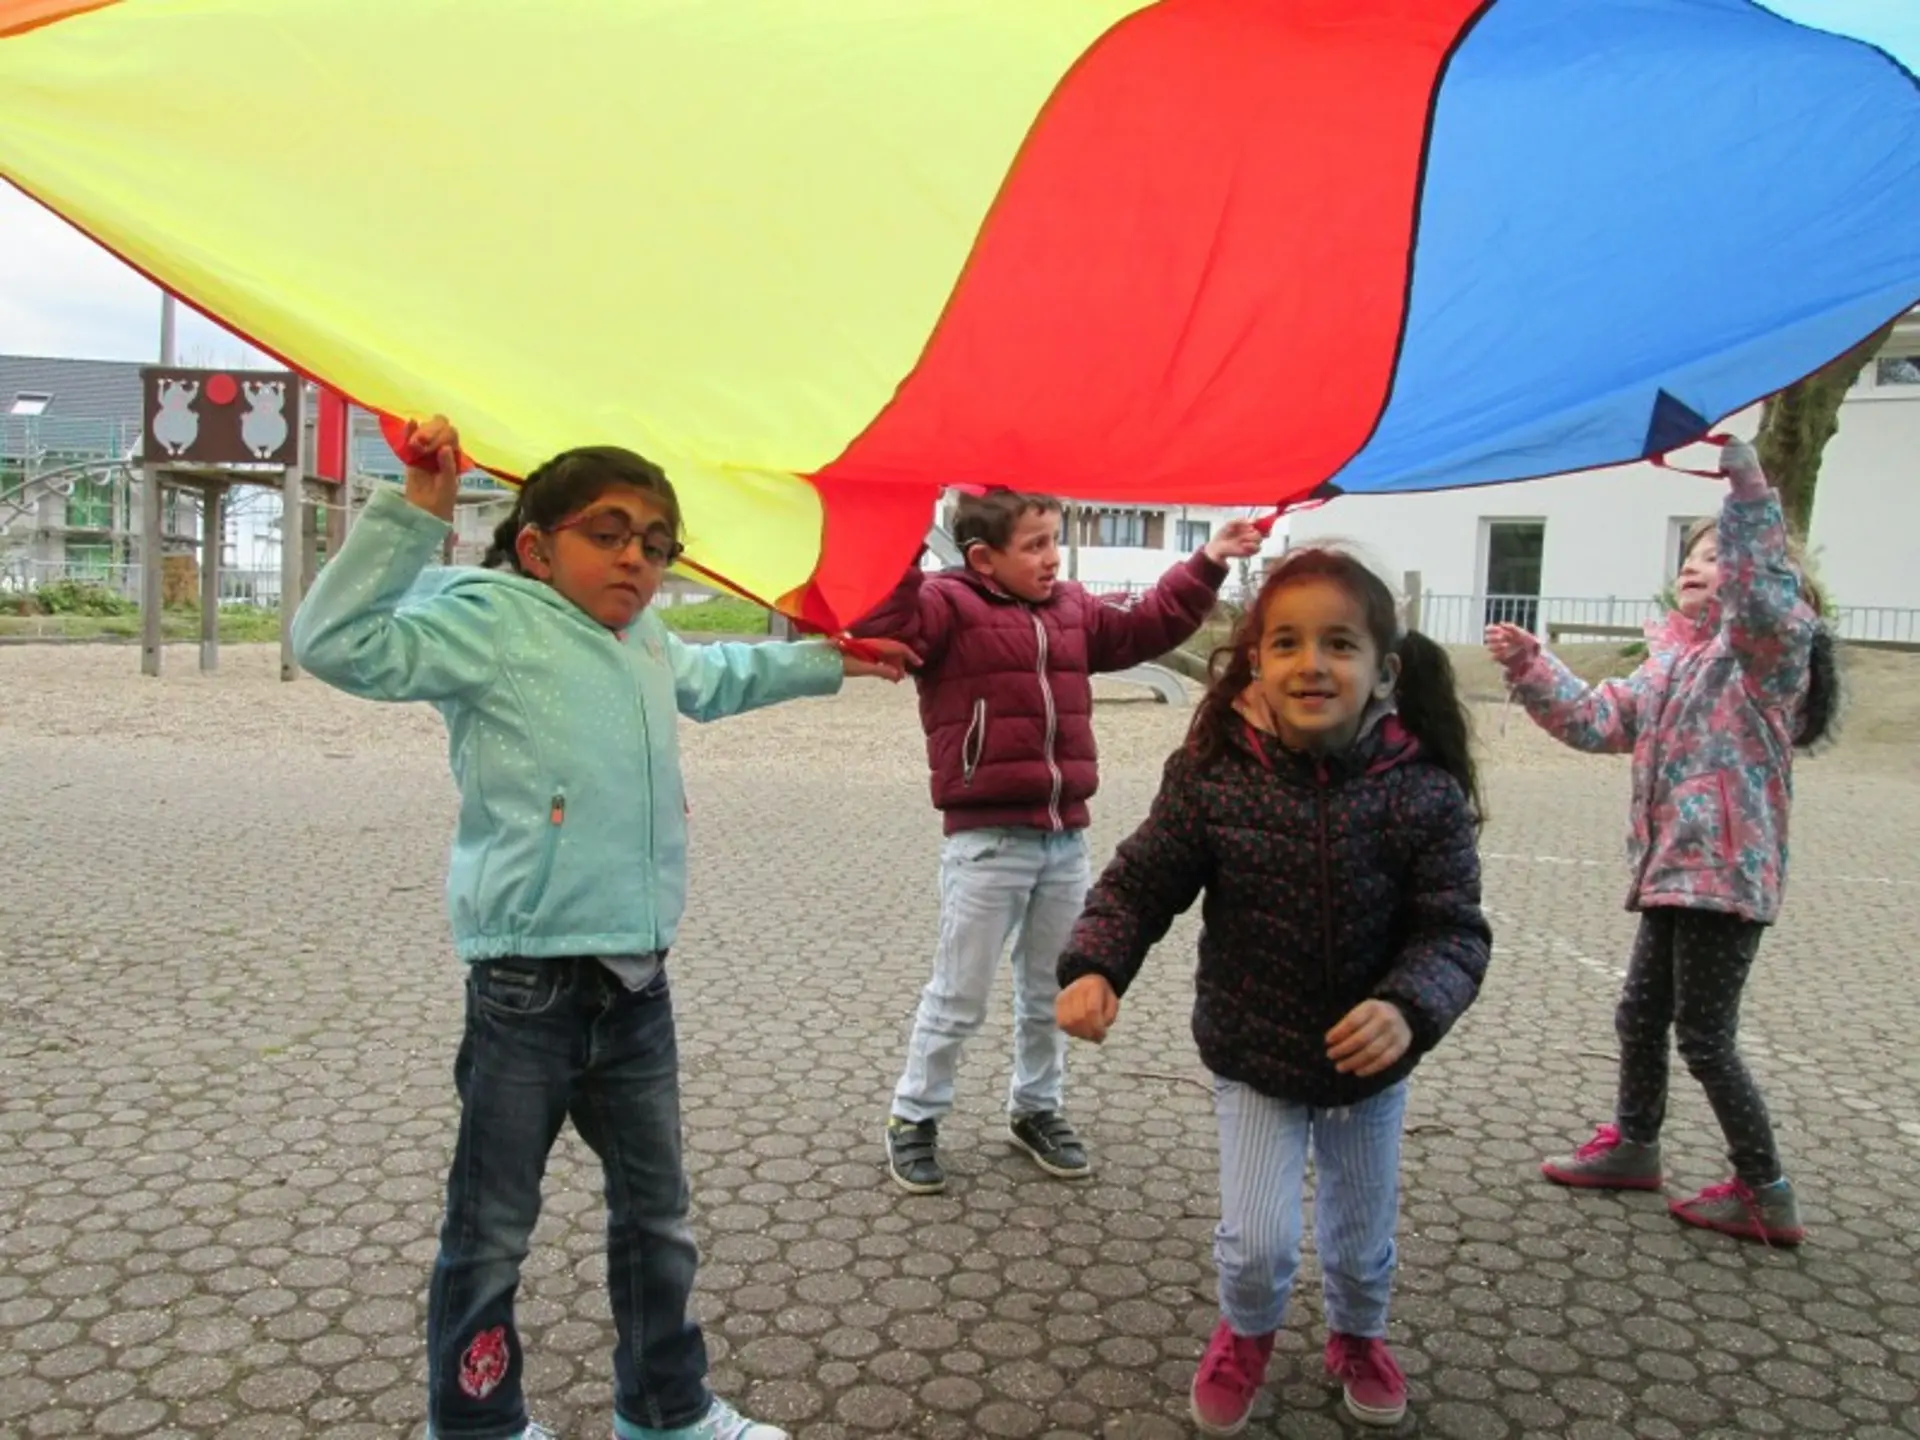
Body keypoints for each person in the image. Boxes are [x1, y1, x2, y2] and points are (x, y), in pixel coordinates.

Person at [292, 417, 912, 1440]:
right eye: (608, 531)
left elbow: (715, 680)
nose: (637, 556)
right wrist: (417, 512)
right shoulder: (490, 621)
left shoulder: (647, 640)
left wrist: (827, 661)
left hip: (636, 987)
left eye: (657, 541)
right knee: (491, 1231)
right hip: (524, 990)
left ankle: (665, 1410)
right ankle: (479, 1422)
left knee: (657, 1221)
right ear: (537, 546)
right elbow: (335, 642)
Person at [1055, 545, 1491, 1433]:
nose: (1312, 664)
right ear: (1255, 661)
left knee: (1361, 1240)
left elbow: (1453, 930)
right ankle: (1246, 1333)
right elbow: (1141, 883)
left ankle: (1358, 1335)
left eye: (1340, 644)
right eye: (1286, 643)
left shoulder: (1424, 790)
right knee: (1257, 1245)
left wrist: (1409, 1007)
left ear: (1384, 672)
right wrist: (1096, 963)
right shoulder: (1215, 773)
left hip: (1369, 1069)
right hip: (1252, 1052)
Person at [849, 489, 1262, 1193]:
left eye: (1054, 539)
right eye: (1035, 544)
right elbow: (890, 618)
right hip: (985, 844)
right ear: (983, 558)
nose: (1052, 557)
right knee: (960, 992)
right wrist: (894, 535)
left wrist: (1210, 560)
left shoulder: (1072, 610)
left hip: (1064, 838)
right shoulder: (947, 606)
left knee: (1052, 988)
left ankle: (1036, 1108)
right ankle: (914, 1116)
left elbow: (1146, 627)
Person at [1486, 436, 1837, 1248]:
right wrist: (1539, 668)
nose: (1697, 562)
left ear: (1758, 572)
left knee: (1704, 1035)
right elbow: (1600, 720)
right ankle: (1636, 1145)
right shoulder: (1675, 663)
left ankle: (1766, 1188)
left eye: (1715, 554)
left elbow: (1762, 598)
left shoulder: (1766, 657)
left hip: (1725, 877)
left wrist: (1746, 491)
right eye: (1691, 553)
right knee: (1640, 1014)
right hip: (1673, 873)